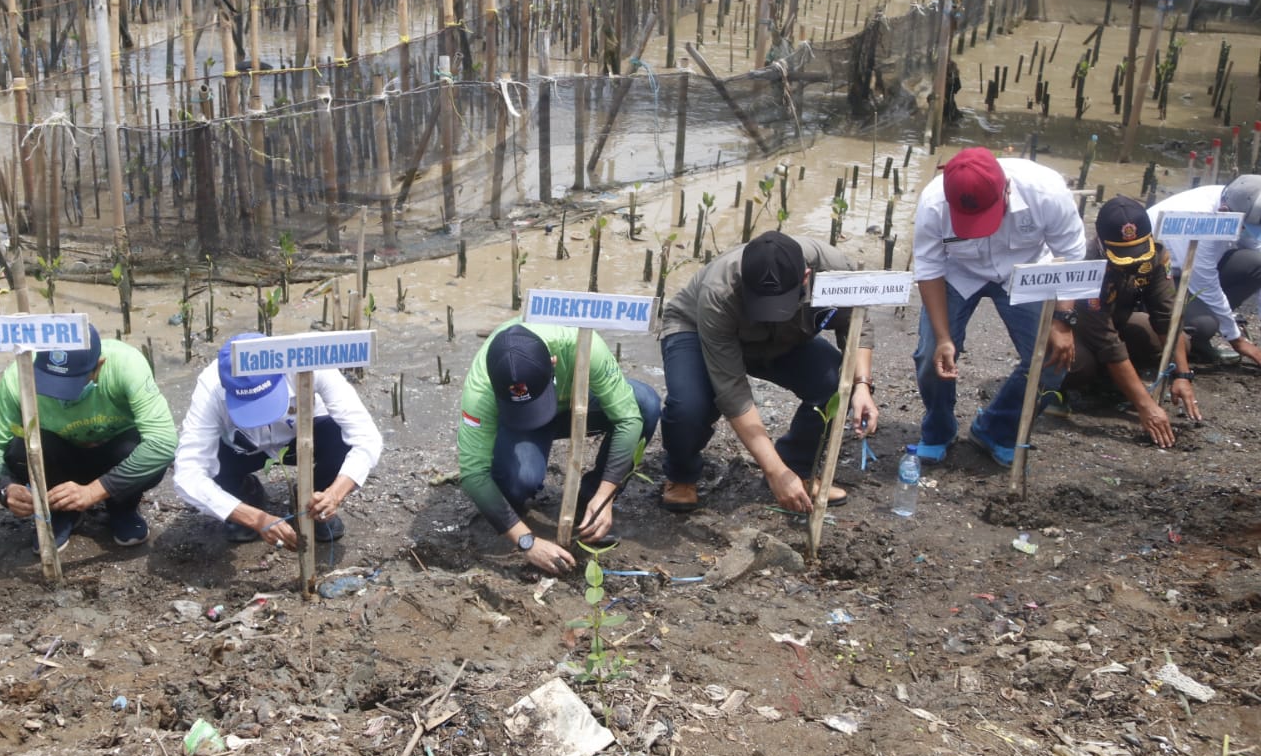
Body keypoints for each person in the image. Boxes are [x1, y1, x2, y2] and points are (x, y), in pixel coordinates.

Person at [658, 231, 879, 517]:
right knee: (690, 405)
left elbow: (856, 325)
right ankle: (681, 474)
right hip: (698, 330)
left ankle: (796, 467)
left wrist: (861, 385)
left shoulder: (833, 269)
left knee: (837, 382)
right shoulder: (720, 290)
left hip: (783, 340)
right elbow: (732, 391)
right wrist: (773, 470)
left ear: (805, 277)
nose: (769, 313)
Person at [913, 148, 1087, 466]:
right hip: (958, 272)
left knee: (1052, 357)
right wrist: (943, 338)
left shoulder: (1045, 191)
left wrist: (1063, 320)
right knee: (929, 357)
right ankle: (938, 429)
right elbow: (928, 270)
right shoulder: (933, 203)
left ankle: (997, 429)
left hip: (1026, 270)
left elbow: (1072, 256)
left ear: (1006, 188)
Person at [456, 322, 660, 576]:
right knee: (518, 481)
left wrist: (606, 492)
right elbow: (473, 473)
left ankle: (590, 503)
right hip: (520, 422)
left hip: (577, 402)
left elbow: (628, 419)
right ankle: (513, 505)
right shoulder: (480, 388)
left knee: (645, 405)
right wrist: (526, 541)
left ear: (552, 362)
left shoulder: (582, 344)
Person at [173, 334, 382, 548]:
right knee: (212, 458)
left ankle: (313, 499)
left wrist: (334, 494)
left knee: (340, 437)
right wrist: (255, 518)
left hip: (300, 437)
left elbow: (367, 438)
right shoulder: (211, 387)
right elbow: (187, 474)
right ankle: (245, 496)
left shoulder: (310, 363)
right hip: (244, 449)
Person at [0, 325, 176, 550]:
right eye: (50, 382)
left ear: (98, 367)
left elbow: (164, 442)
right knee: (18, 448)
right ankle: (63, 510)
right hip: (59, 458)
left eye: (72, 383)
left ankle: (122, 507)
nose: (60, 395)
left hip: (113, 454)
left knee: (142, 448)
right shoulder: (20, 377)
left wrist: (94, 491)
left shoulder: (126, 365)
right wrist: (5, 487)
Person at [1067, 196, 1199, 446]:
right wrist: (1145, 406)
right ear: (1103, 243)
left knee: (1180, 344)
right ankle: (1058, 391)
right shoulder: (1087, 263)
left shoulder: (1156, 255)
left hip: (1117, 322)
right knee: (1081, 364)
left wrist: (1182, 374)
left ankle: (1113, 379)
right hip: (1075, 331)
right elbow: (1106, 341)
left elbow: (1166, 315)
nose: (1133, 261)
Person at [1146, 174, 1261, 368]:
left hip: (1197, 269)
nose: (1246, 231)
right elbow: (1206, 284)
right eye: (1243, 227)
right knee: (1204, 325)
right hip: (1161, 276)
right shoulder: (1205, 219)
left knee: (1257, 262)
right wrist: (1238, 340)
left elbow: (1255, 247)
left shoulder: (1238, 203)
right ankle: (1191, 339)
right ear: (1225, 211)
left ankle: (1199, 328)